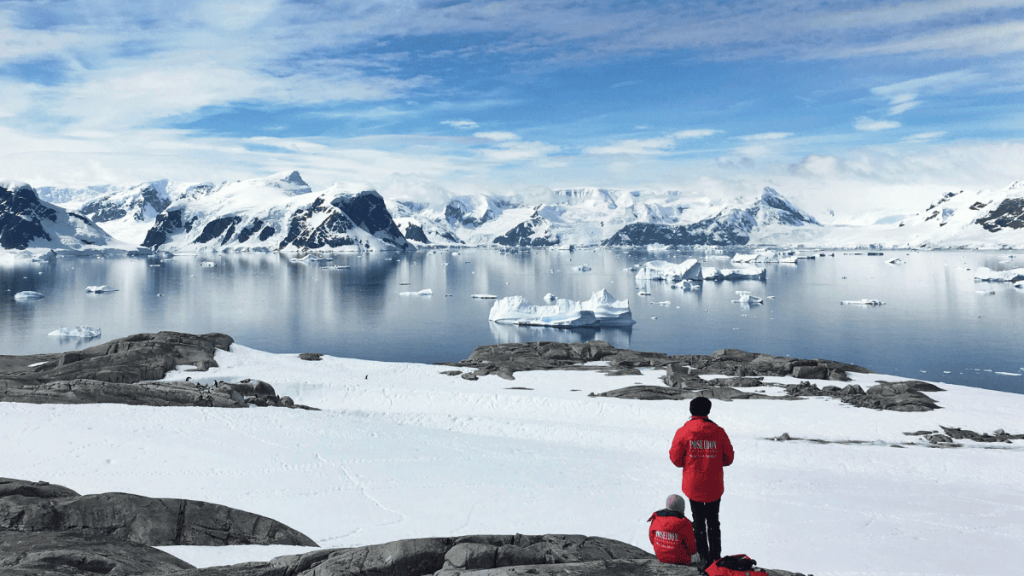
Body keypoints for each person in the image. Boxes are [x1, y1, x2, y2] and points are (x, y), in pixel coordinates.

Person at [669, 397, 734, 567]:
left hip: (693, 484)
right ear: (708, 411)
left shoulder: (684, 431)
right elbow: (728, 458)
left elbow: (676, 460)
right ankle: (716, 557)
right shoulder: (718, 431)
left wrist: (691, 461)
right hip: (714, 484)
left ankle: (703, 557)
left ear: (691, 411)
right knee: (713, 520)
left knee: (698, 520)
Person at [648, 494, 698, 565]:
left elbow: (652, 539)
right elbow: (691, 546)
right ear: (682, 508)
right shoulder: (685, 523)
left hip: (660, 556)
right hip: (681, 559)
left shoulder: (656, 519)